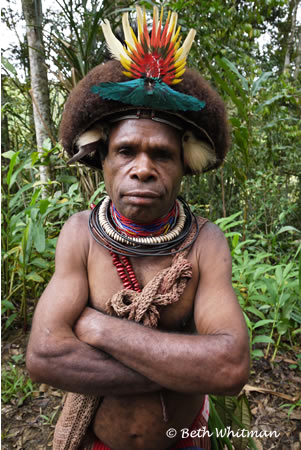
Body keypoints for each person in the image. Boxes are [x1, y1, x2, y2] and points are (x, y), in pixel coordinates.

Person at [26, 6, 250, 450]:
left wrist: (101, 330)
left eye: (162, 155)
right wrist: (179, 366)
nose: (142, 169)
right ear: (103, 160)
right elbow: (45, 355)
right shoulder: (80, 235)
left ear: (185, 163)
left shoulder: (205, 243)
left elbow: (227, 367)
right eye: (126, 150)